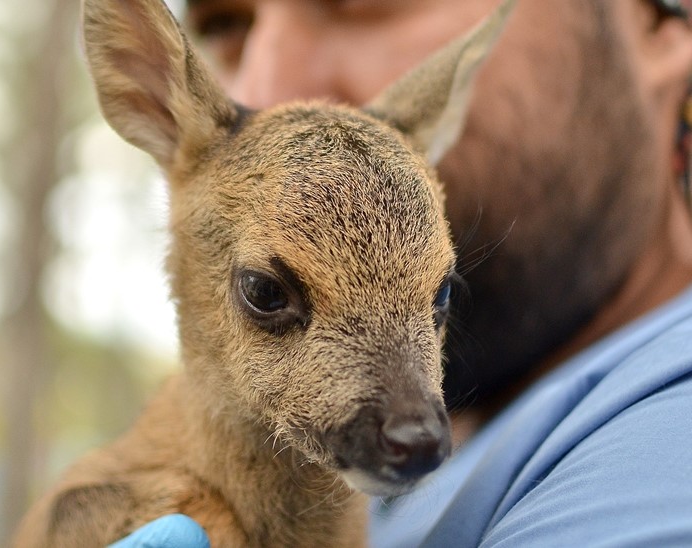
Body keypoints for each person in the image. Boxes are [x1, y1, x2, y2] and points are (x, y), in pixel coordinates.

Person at [113, 0, 692, 545]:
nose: (268, 92)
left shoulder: (663, 454)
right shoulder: (386, 466)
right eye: (227, 28)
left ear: (664, 20)